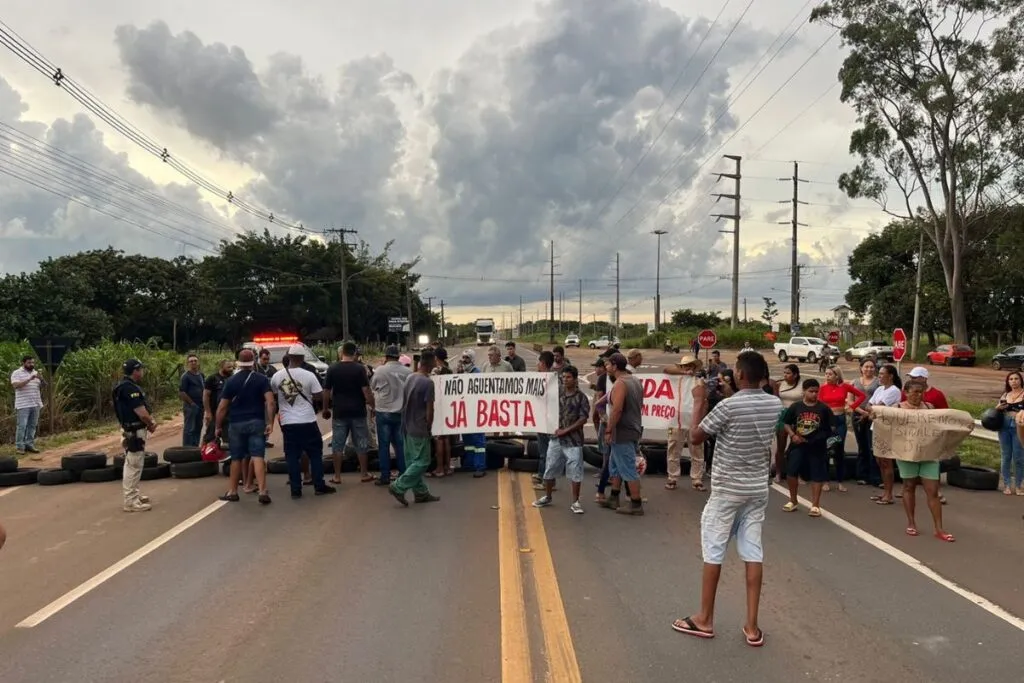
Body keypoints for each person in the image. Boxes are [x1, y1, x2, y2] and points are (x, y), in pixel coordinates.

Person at [673, 352, 781, 647]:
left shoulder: (728, 407)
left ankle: (705, 618)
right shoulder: (774, 403)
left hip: (727, 490)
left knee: (714, 551)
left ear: (740, 374)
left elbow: (695, 437)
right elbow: (748, 407)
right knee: (752, 551)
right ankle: (753, 626)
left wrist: (698, 402)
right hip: (757, 489)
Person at [893, 379, 953, 541]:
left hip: (928, 455)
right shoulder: (897, 409)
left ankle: (939, 528)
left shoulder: (929, 408)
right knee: (909, 486)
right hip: (907, 454)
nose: (918, 395)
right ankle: (911, 523)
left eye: (921, 392)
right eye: (914, 392)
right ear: (906, 392)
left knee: (933, 490)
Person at [273, 345, 335, 499]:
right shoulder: (309, 375)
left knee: (292, 456)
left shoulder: (277, 376)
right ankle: (319, 485)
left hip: (288, 422)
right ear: (302, 358)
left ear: (288, 356)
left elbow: (274, 396)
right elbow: (319, 395)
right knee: (315, 454)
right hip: (307, 420)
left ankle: (295, 489)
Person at [216, 349, 274, 505]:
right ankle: (262, 491)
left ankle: (233, 491)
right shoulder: (262, 380)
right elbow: (270, 402)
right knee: (258, 456)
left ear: (238, 363)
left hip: (236, 424)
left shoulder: (231, 381)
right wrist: (270, 422)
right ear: (254, 361)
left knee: (236, 458)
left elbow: (222, 407)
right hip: (256, 422)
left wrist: (217, 426)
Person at [533, 366, 590, 513]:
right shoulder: (556, 395)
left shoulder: (581, 397)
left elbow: (583, 418)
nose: (565, 380)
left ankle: (576, 501)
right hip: (556, 439)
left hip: (573, 440)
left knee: (575, 471)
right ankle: (547, 496)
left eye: (568, 377)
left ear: (575, 379)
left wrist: (566, 430)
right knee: (550, 468)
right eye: (563, 377)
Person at [389, 352, 440, 506]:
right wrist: (429, 427)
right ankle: (398, 486)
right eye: (435, 363)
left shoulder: (411, 377)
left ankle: (421, 493)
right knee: (423, 461)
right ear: (430, 364)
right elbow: (429, 410)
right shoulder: (428, 383)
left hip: (406, 425)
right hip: (419, 426)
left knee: (412, 460)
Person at [599, 352, 645, 515]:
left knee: (627, 467)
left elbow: (617, 409)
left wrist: (609, 429)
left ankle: (636, 503)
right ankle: (614, 497)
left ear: (615, 366)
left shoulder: (620, 384)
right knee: (616, 465)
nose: (606, 367)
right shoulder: (634, 380)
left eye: (608, 364)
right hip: (633, 428)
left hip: (623, 431)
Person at [323, 342, 375, 484]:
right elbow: (366, 391)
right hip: (358, 411)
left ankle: (337, 476)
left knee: (337, 444)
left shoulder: (332, 369)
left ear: (342, 353)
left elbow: (326, 391)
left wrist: (325, 408)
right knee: (361, 443)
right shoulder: (359, 369)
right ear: (354, 354)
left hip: (339, 411)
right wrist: (373, 406)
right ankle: (364, 473)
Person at [781, 378, 833, 516]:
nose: (814, 394)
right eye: (811, 391)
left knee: (817, 474)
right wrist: (793, 435)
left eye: (817, 392)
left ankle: (815, 505)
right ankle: (793, 500)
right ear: (804, 391)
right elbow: (786, 423)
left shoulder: (823, 409)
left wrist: (822, 438)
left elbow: (830, 428)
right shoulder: (796, 407)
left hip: (816, 446)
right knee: (792, 471)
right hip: (797, 445)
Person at [112, 359, 157, 512]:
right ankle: (130, 501)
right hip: (135, 432)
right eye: (141, 369)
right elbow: (141, 412)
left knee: (131, 463)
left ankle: (133, 495)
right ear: (136, 371)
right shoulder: (130, 389)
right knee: (134, 466)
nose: (142, 372)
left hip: (128, 430)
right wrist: (151, 423)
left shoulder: (121, 386)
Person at [371, 345, 412, 486]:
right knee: (401, 445)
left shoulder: (380, 370)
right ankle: (403, 474)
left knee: (384, 445)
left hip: (383, 411)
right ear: (398, 356)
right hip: (401, 412)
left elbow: (373, 386)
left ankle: (385, 476)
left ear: (386, 356)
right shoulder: (407, 371)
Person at [459, 349, 488, 478]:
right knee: (468, 441)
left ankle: (480, 466)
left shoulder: (477, 374)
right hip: (465, 412)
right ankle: (469, 464)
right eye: (463, 358)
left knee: (478, 441)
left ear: (472, 360)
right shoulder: (462, 373)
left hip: (476, 411)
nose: (464, 361)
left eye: (467, 358)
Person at [10, 354, 43, 458]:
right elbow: (16, 385)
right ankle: (20, 446)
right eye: (29, 362)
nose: (31, 364)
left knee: (32, 425)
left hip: (35, 403)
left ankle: (29, 444)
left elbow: (44, 386)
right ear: (23, 363)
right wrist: (29, 379)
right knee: (22, 426)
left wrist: (41, 379)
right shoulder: (17, 373)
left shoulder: (35, 372)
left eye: (33, 362)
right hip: (23, 404)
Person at [532, 350, 556, 488]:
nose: (537, 365)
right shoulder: (543, 377)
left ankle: (548, 481)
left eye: (538, 362)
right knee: (543, 450)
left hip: (549, 420)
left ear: (542, 363)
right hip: (542, 418)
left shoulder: (551, 378)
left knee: (547, 451)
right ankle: (542, 475)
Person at [430, 348, 455, 477]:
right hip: (448, 405)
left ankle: (439, 468)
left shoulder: (435, 371)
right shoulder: (449, 370)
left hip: (438, 405)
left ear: (436, 357)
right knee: (446, 439)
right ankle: (448, 466)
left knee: (439, 438)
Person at [202, 359, 234, 445]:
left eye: (232, 367)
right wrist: (208, 412)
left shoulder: (232, 378)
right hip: (215, 413)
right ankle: (202, 454)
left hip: (228, 414)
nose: (231, 369)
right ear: (221, 367)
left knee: (229, 439)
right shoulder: (212, 379)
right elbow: (206, 396)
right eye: (228, 367)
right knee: (209, 438)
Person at [178, 354, 204, 447]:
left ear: (198, 362)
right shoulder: (185, 376)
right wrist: (192, 403)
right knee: (189, 428)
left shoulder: (201, 375)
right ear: (188, 363)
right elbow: (182, 392)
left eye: (195, 361)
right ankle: (187, 449)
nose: (193, 362)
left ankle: (195, 447)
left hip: (201, 405)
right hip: (190, 406)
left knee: (198, 427)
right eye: (191, 361)